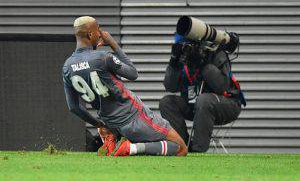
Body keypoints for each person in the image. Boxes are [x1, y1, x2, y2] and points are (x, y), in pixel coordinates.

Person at [62, 16, 187, 156]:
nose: (101, 33)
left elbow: (73, 107)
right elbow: (133, 74)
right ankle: (130, 148)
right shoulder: (104, 57)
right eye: (98, 29)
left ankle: (113, 142)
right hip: (134, 116)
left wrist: (100, 125)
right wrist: (112, 43)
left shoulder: (67, 66)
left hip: (110, 123)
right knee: (180, 147)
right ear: (90, 34)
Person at [159, 32, 246, 153]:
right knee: (166, 102)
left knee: (204, 100)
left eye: (189, 46)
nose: (186, 50)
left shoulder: (214, 53)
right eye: (183, 46)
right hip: (196, 104)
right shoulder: (182, 60)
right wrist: (173, 63)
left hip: (228, 104)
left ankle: (198, 150)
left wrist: (204, 65)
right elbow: (170, 86)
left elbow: (223, 87)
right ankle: (181, 145)